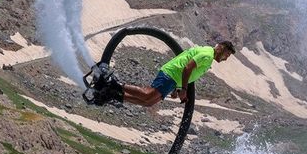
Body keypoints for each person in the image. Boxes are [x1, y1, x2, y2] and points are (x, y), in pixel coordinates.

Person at [93, 41, 235, 107]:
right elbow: (187, 68)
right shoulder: (207, 55)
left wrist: (176, 88)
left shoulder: (208, 55)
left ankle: (114, 95)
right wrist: (184, 90)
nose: (226, 58)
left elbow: (187, 69)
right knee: (147, 94)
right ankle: (113, 83)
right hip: (171, 73)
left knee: (149, 102)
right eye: (227, 54)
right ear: (220, 49)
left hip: (174, 79)